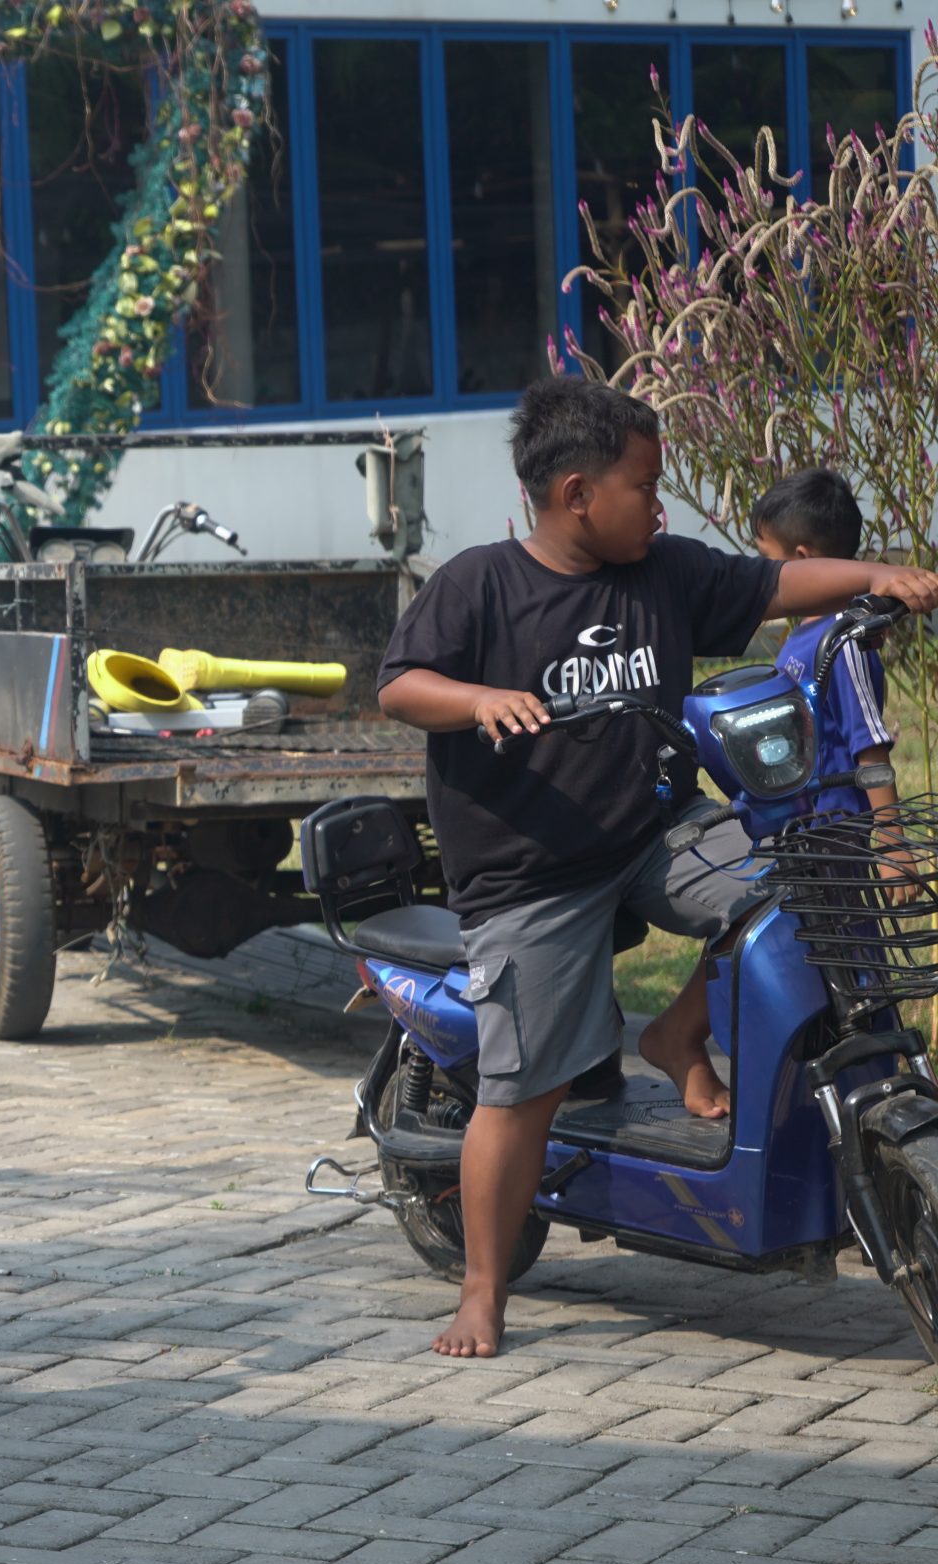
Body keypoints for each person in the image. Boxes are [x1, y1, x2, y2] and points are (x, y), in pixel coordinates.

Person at [376, 376, 938, 1360]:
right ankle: (479, 1288)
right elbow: (399, 685)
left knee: (796, 888)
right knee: (524, 1088)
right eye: (643, 485)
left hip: (655, 829)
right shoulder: (478, 585)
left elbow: (773, 587)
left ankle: (677, 1038)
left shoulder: (664, 573)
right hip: (529, 871)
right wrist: (476, 701)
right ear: (574, 493)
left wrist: (874, 576)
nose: (659, 503)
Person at [757, 469, 900, 821]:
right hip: (806, 823)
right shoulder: (808, 627)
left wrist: (892, 844)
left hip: (838, 831)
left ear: (803, 561)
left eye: (765, 559)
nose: (759, 572)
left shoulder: (845, 639)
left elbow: (869, 744)